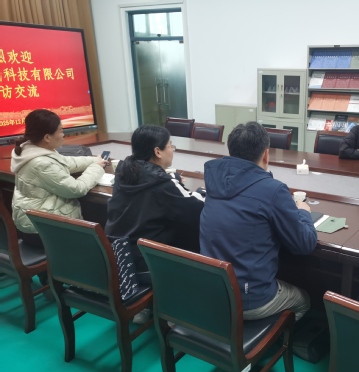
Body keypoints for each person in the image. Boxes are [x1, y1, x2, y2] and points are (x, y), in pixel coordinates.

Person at [199, 121, 317, 321]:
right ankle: (270, 335)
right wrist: (304, 213)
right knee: (304, 300)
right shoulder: (273, 190)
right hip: (250, 299)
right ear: (266, 155)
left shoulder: (213, 181)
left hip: (213, 290)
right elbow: (305, 243)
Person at [105, 125, 205, 275]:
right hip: (146, 264)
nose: (172, 150)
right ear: (158, 152)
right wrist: (202, 192)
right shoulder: (163, 184)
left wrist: (172, 178)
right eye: (170, 146)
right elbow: (196, 208)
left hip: (119, 257)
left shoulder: (123, 172)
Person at [11, 109, 107, 247]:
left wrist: (94, 160)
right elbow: (76, 189)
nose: (63, 135)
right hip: (42, 232)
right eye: (61, 131)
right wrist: (96, 168)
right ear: (47, 137)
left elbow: (66, 162)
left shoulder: (30, 150)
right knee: (99, 223)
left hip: (34, 223)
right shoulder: (41, 163)